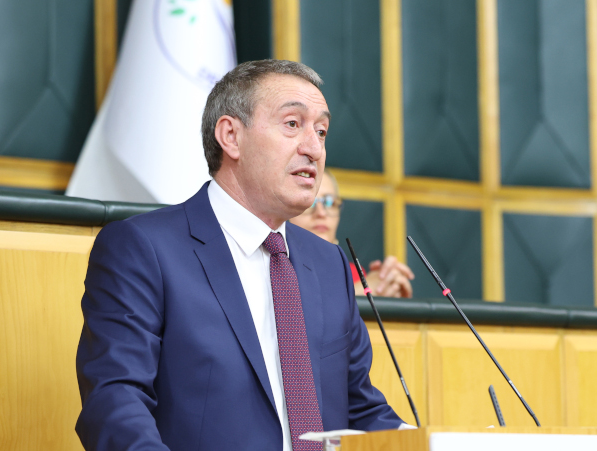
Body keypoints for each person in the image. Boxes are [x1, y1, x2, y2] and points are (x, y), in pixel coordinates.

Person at [75, 60, 404, 451]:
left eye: (321, 131)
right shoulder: (143, 249)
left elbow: (361, 409)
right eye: (293, 124)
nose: (314, 149)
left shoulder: (329, 264)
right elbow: (115, 402)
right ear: (231, 136)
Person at [289, 169, 415, 298]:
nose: (321, 213)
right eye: (309, 202)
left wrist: (387, 290)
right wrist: (360, 292)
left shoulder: (353, 274)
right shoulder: (278, 269)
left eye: (329, 202)